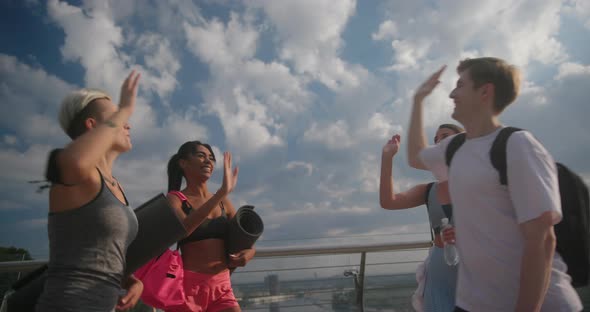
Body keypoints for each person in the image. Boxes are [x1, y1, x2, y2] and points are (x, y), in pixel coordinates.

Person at [407, 58, 582, 311]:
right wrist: (418, 100)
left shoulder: (518, 145)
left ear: (485, 92)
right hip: (472, 304)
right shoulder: (455, 148)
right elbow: (415, 157)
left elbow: (542, 240)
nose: (452, 93)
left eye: (460, 85)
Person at [36, 71, 144, 311]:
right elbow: (76, 162)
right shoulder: (77, 174)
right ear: (92, 126)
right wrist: (125, 107)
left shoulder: (115, 186)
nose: (127, 122)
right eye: (115, 116)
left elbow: (99, 253)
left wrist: (130, 280)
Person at [379, 124, 463, 312]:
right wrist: (387, 158)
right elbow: (388, 201)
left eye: (445, 135)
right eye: (435, 139)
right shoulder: (428, 190)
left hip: (474, 273)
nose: (438, 141)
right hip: (440, 276)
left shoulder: (479, 183)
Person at [166, 141, 254, 312]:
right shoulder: (174, 199)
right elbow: (183, 230)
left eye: (212, 158)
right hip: (187, 289)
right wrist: (221, 192)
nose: (208, 161)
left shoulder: (223, 202)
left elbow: (246, 242)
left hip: (222, 286)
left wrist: (249, 254)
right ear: (183, 163)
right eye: (201, 156)